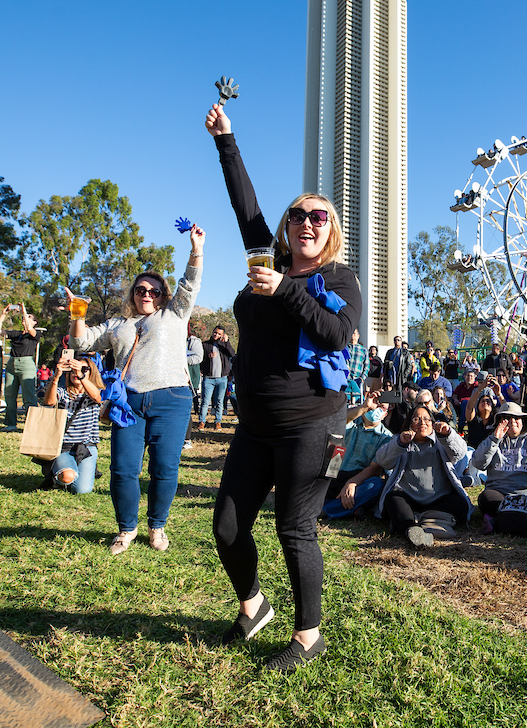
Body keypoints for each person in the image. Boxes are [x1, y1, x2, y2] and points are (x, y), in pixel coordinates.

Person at [206, 102, 361, 673]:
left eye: (319, 217)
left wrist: (287, 290)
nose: (306, 222)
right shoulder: (264, 261)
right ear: (287, 227)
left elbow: (338, 333)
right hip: (254, 426)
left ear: (330, 231)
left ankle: (307, 636)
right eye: (297, 215)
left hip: (311, 424)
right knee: (227, 526)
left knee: (294, 529)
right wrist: (226, 140)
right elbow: (244, 206)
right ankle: (254, 607)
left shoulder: (339, 278)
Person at [68, 223, 205, 555]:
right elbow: (81, 342)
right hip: (128, 403)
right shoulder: (117, 325)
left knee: (164, 469)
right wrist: (78, 312)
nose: (147, 294)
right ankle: (126, 529)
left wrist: (196, 250)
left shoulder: (174, 314)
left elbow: (190, 283)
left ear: (163, 295)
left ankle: (157, 527)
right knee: (123, 469)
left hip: (171, 399)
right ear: (133, 293)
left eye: (154, 291)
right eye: (141, 289)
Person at [350, 405, 471, 548]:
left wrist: (448, 434)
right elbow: (383, 461)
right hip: (408, 497)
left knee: (460, 504)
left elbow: (460, 453)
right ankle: (412, 528)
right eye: (417, 419)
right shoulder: (400, 440)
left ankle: (416, 519)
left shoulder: (441, 441)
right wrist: (399, 443)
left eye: (427, 419)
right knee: (392, 499)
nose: (422, 422)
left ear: (433, 423)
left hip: (439, 498)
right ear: (410, 423)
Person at [469, 402, 527, 537]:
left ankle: (499, 521)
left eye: (516, 418)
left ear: (523, 421)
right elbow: (477, 463)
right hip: (500, 493)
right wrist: (494, 440)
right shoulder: (492, 440)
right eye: (507, 418)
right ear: (499, 422)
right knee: (486, 498)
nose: (512, 421)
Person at [39, 355, 103, 494]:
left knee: (82, 490)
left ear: (91, 373)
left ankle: (68, 473)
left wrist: (81, 376)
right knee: (68, 476)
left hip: (87, 447)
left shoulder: (95, 392)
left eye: (83, 369)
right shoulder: (63, 392)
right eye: (73, 370)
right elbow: (49, 401)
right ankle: (59, 476)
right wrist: (56, 377)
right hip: (63, 446)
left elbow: (97, 397)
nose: (76, 373)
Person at [0, 304, 42, 431]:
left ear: (34, 322)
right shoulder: (16, 334)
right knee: (9, 396)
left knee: (29, 396)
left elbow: (30, 329)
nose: (25, 318)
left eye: (29, 317)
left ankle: (32, 426)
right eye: (24, 317)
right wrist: (4, 314)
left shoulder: (35, 334)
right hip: (12, 364)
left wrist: (24, 311)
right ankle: (11, 424)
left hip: (26, 365)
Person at [199, 325, 234, 430]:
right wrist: (208, 357)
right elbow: (200, 360)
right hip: (209, 378)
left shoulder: (224, 346)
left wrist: (226, 342)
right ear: (212, 332)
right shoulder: (205, 345)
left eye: (219, 334)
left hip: (222, 378)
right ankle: (202, 421)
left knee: (220, 401)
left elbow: (232, 354)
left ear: (222, 335)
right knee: (205, 401)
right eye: (215, 332)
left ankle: (218, 421)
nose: (216, 335)